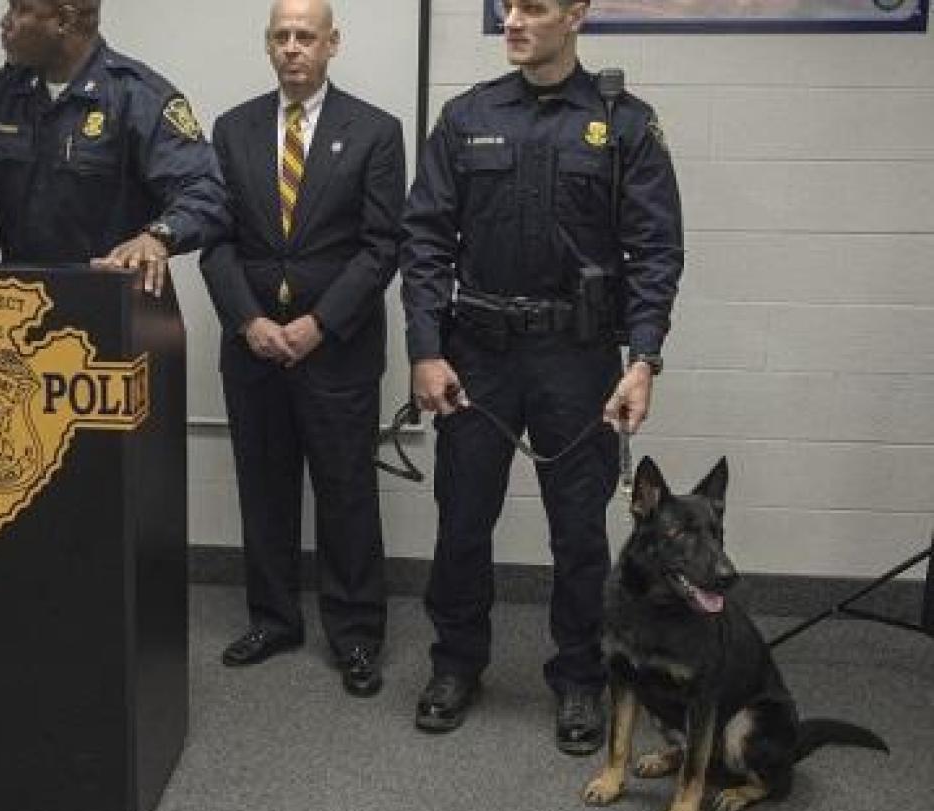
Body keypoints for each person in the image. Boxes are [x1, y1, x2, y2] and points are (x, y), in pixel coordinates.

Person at [401, 0, 682, 753]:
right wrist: (426, 349)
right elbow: (424, 238)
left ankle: (581, 678)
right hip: (478, 354)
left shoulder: (624, 126)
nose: (516, 20)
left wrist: (643, 360)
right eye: (509, 7)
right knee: (462, 521)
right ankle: (457, 662)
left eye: (535, 6)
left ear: (577, 15)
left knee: (579, 534)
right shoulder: (465, 118)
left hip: (577, 356)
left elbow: (656, 252)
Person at [201, 0, 402, 697]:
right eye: (281, 37)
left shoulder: (376, 131)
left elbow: (382, 248)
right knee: (265, 486)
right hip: (252, 344)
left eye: (305, 37)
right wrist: (248, 320)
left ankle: (354, 635)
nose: (293, 48)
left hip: (336, 347)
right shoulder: (231, 130)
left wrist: (318, 323)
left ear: (331, 44)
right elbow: (215, 240)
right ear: (268, 46)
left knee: (346, 492)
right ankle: (274, 618)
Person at [0, 0, 229, 294]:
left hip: (115, 308)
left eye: (21, 9)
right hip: (26, 307)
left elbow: (206, 191)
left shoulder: (135, 95)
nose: (6, 22)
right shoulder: (3, 92)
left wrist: (158, 237)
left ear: (63, 20)